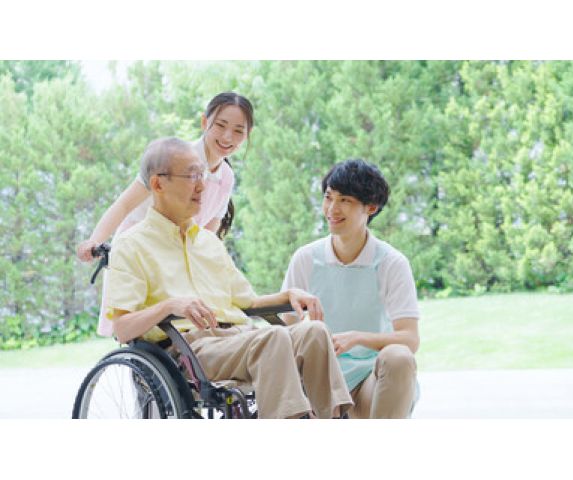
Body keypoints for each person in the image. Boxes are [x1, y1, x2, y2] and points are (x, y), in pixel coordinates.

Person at [104, 137, 352, 419]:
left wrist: (289, 295)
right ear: (158, 184)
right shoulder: (131, 245)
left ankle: (331, 421)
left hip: (240, 338)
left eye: (202, 175)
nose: (201, 186)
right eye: (191, 176)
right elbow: (122, 328)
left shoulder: (209, 242)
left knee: (314, 333)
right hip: (191, 350)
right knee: (273, 338)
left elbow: (248, 303)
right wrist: (170, 305)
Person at [77, 92, 251, 336]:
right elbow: (124, 205)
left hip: (179, 249)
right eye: (220, 126)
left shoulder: (227, 177)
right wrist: (95, 240)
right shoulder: (176, 158)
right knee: (136, 319)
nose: (227, 137)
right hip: (145, 245)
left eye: (238, 131)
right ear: (205, 122)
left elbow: (207, 233)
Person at [281, 159, 420, 418]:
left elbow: (410, 338)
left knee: (399, 357)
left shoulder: (391, 263)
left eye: (345, 200)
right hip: (318, 381)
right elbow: (285, 328)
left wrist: (357, 338)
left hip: (371, 381)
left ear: (371, 207)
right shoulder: (306, 258)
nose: (332, 209)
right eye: (328, 197)